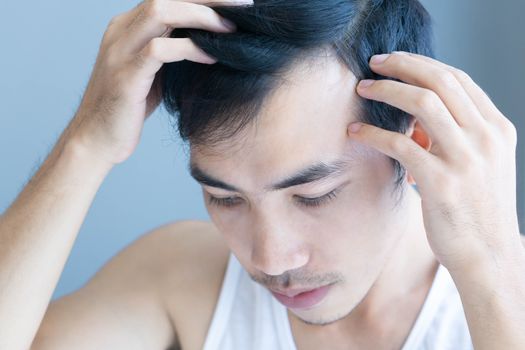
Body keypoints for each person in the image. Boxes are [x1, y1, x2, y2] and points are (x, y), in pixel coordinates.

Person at [0, 0, 523, 349]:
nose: (271, 259)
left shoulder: (503, 293)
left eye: (314, 195)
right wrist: (85, 144)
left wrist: (493, 273)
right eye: (224, 198)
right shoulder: (181, 278)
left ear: (418, 140)